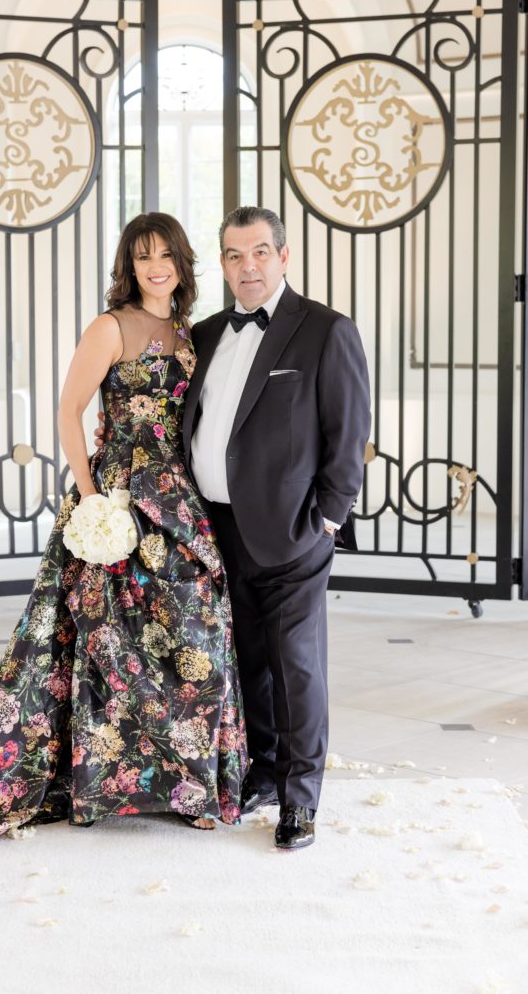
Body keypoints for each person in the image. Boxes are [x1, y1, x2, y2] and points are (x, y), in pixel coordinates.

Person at [0, 213, 247, 857]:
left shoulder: (190, 331)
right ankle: (107, 784)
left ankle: (190, 784)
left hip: (178, 500)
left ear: (181, 260)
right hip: (116, 498)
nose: (155, 265)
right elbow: (68, 410)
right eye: (142, 256)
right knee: (108, 645)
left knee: (192, 637)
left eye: (165, 253)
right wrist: (93, 502)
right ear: (129, 265)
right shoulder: (109, 326)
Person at [184, 206, 371, 850]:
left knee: (296, 665)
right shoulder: (205, 335)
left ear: (283, 256)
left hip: (294, 531)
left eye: (260, 252)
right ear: (223, 264)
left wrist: (328, 515)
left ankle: (300, 799)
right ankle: (262, 773)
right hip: (216, 531)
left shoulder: (325, 330)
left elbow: (348, 434)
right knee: (247, 661)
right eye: (235, 255)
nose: (248, 266)